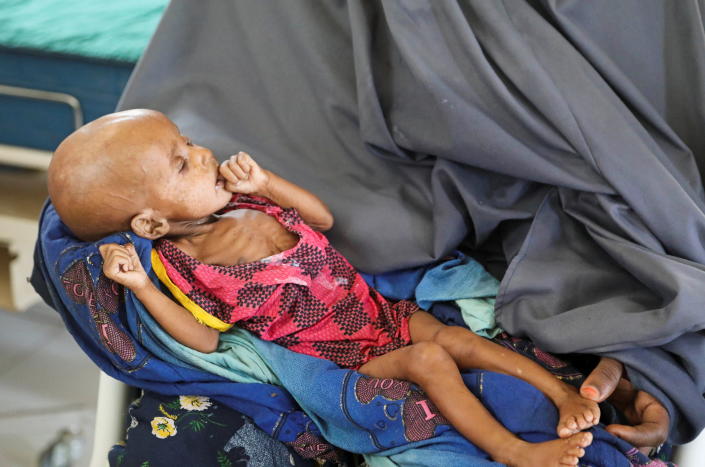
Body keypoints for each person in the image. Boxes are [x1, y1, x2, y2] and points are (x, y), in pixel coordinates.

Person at [47, 109, 664, 465]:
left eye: (187, 140)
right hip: (351, 357)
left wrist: (267, 184)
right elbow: (204, 343)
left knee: (460, 340)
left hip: (377, 312)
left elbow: (320, 220)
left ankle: (560, 394)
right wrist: (142, 288)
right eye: (182, 163)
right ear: (151, 224)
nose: (204, 153)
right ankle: (512, 451)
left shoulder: (244, 205)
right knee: (429, 359)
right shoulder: (182, 272)